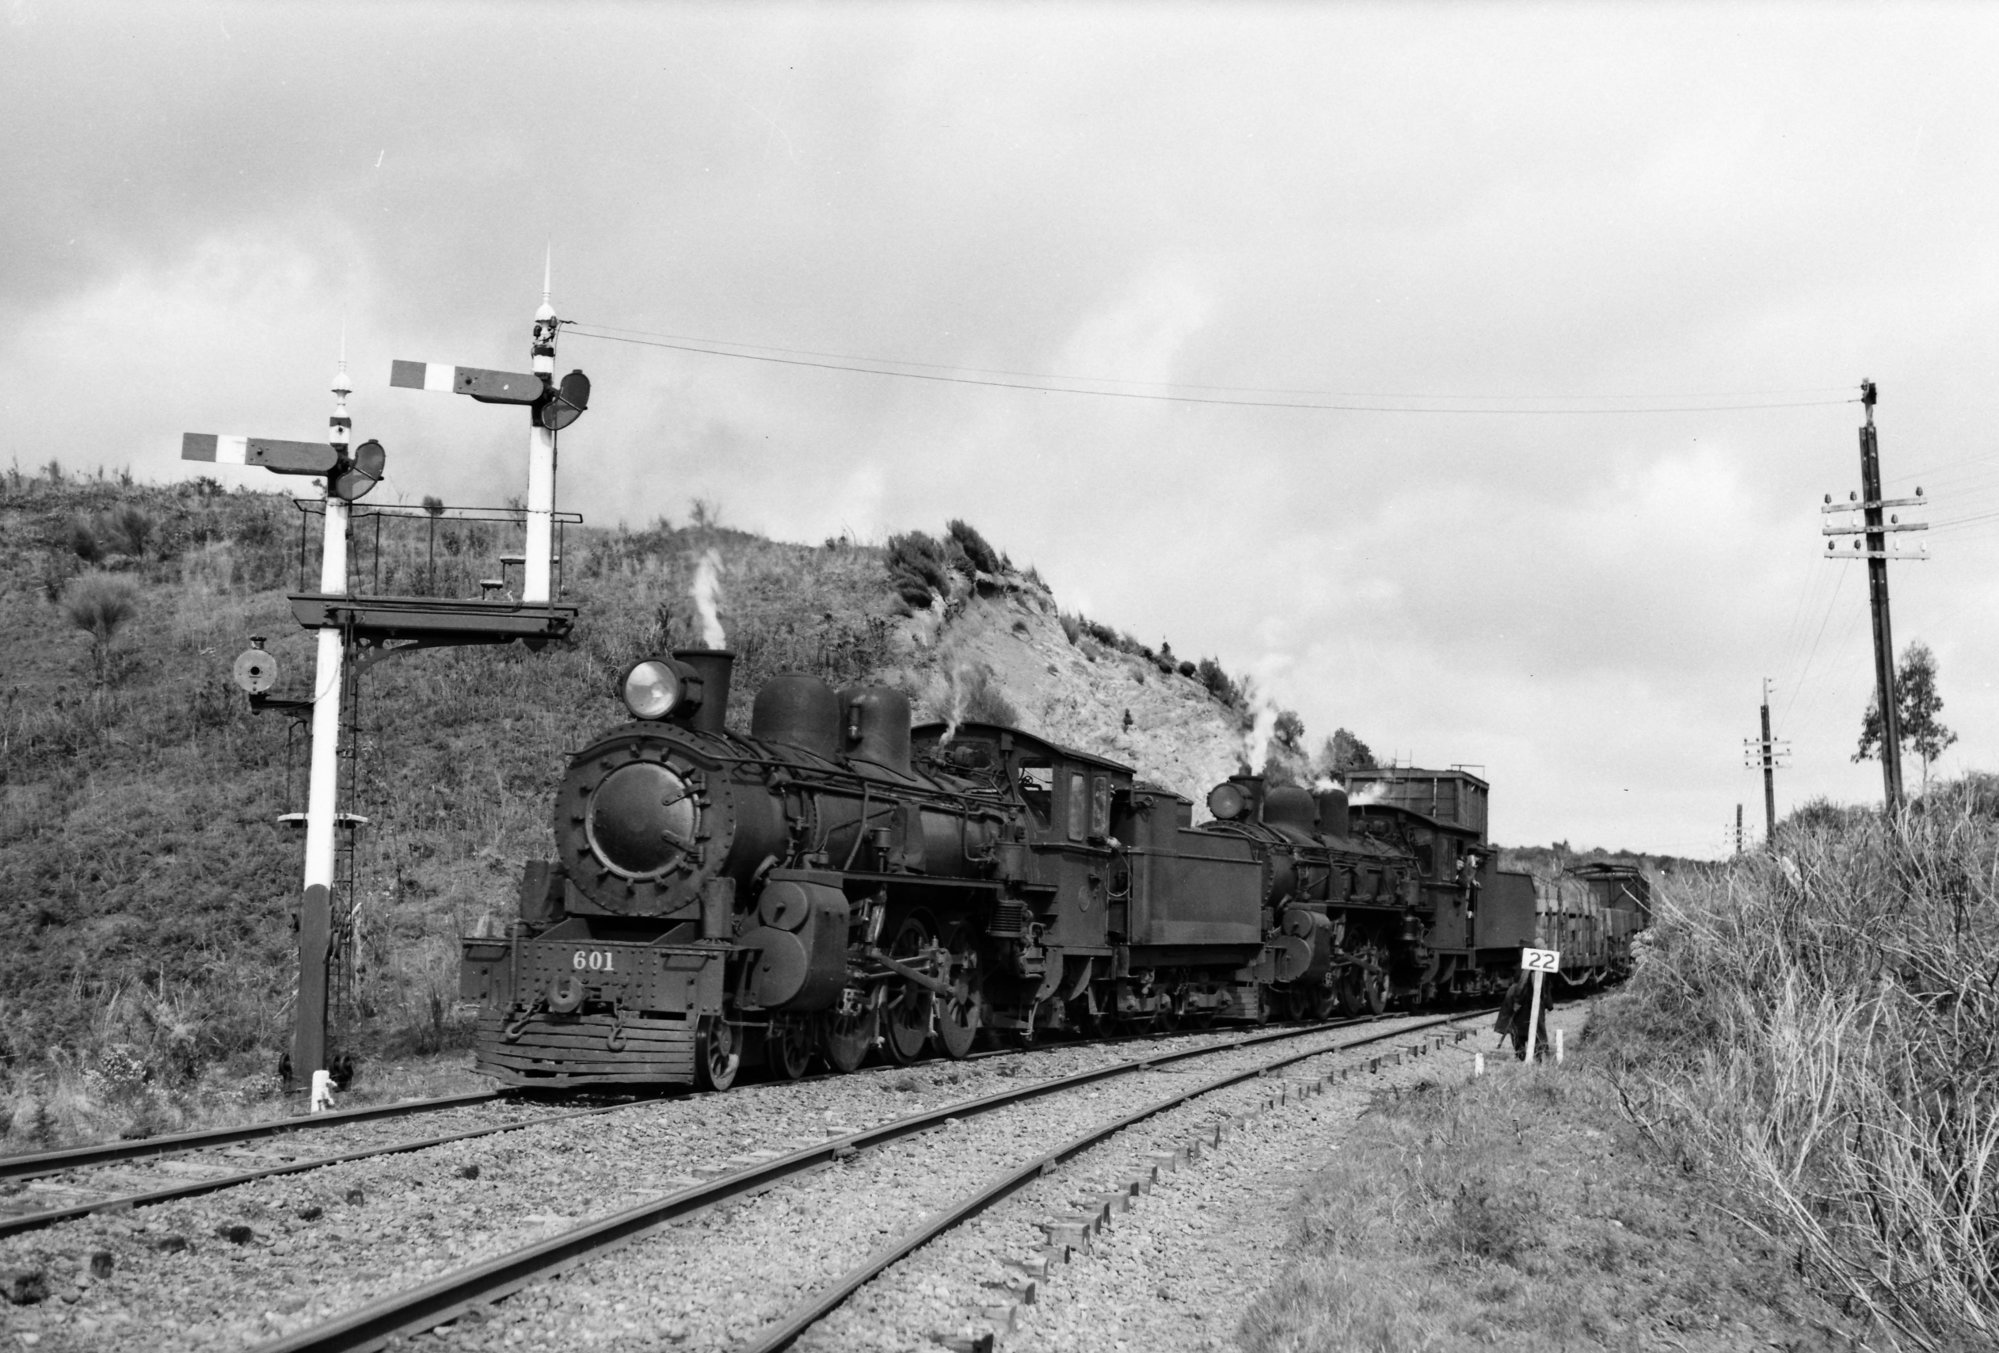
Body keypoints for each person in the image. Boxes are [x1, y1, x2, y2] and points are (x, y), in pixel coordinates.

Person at [1494, 970, 1550, 1061]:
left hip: (1518, 1025)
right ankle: (1537, 1058)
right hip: (1532, 1023)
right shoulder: (1537, 988)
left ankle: (1522, 1058)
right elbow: (1547, 999)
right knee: (1537, 1039)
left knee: (1519, 1042)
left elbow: (1507, 1008)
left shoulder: (1513, 989)